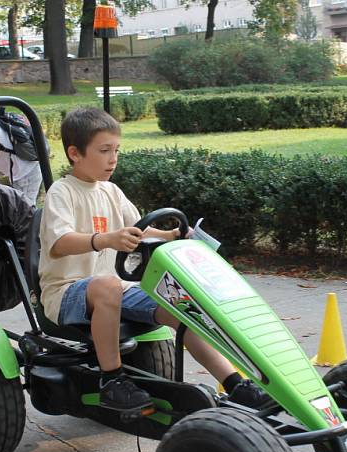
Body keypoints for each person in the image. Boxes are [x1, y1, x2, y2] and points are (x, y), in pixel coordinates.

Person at [39, 107, 269, 411]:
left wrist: (171, 235)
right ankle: (111, 380)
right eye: (104, 150)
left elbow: (139, 229)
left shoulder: (111, 190)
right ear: (75, 153)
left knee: (181, 306)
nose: (113, 158)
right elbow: (60, 242)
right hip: (66, 293)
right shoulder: (62, 192)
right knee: (107, 285)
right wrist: (106, 239)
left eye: (117, 150)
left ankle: (235, 384)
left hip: (115, 289)